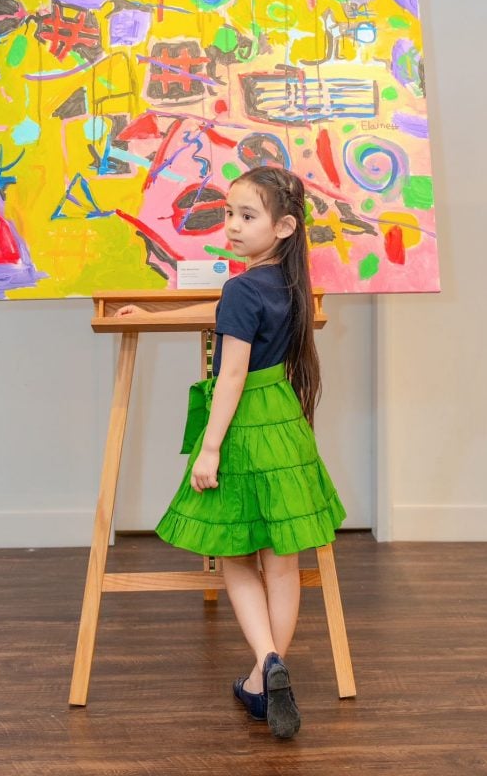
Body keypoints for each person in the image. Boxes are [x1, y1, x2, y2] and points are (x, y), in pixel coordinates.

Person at [116, 165, 346, 739]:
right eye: (230, 213)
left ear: (285, 226)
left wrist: (209, 449)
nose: (233, 225)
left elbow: (232, 368)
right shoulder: (289, 284)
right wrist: (153, 313)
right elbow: (231, 327)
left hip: (242, 426)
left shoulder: (241, 288)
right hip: (284, 422)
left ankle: (267, 660)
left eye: (248, 216)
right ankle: (260, 677)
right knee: (284, 559)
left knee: (237, 555)